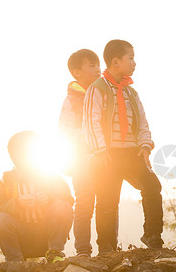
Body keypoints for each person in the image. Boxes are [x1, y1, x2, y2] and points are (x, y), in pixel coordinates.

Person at [83, 39, 163, 253]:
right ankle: (107, 245)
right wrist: (99, 150)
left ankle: (153, 235)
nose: (134, 63)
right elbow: (91, 121)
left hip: (132, 152)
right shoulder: (97, 88)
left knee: (153, 187)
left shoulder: (131, 93)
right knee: (108, 200)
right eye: (131, 58)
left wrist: (145, 146)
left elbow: (143, 122)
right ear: (116, 62)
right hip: (108, 154)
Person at [0, 131, 73, 263]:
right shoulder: (6, 179)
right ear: (14, 157)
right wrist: (16, 203)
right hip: (20, 238)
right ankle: (14, 260)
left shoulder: (50, 174)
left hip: (46, 235)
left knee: (62, 206)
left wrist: (49, 198)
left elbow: (68, 199)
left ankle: (55, 253)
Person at [59, 49, 101, 257]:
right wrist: (92, 135)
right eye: (91, 65)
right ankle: (83, 249)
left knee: (107, 202)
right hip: (82, 160)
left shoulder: (105, 94)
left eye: (98, 65)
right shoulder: (71, 101)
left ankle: (108, 247)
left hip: (106, 159)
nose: (97, 69)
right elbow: (66, 131)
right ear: (77, 72)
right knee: (84, 202)